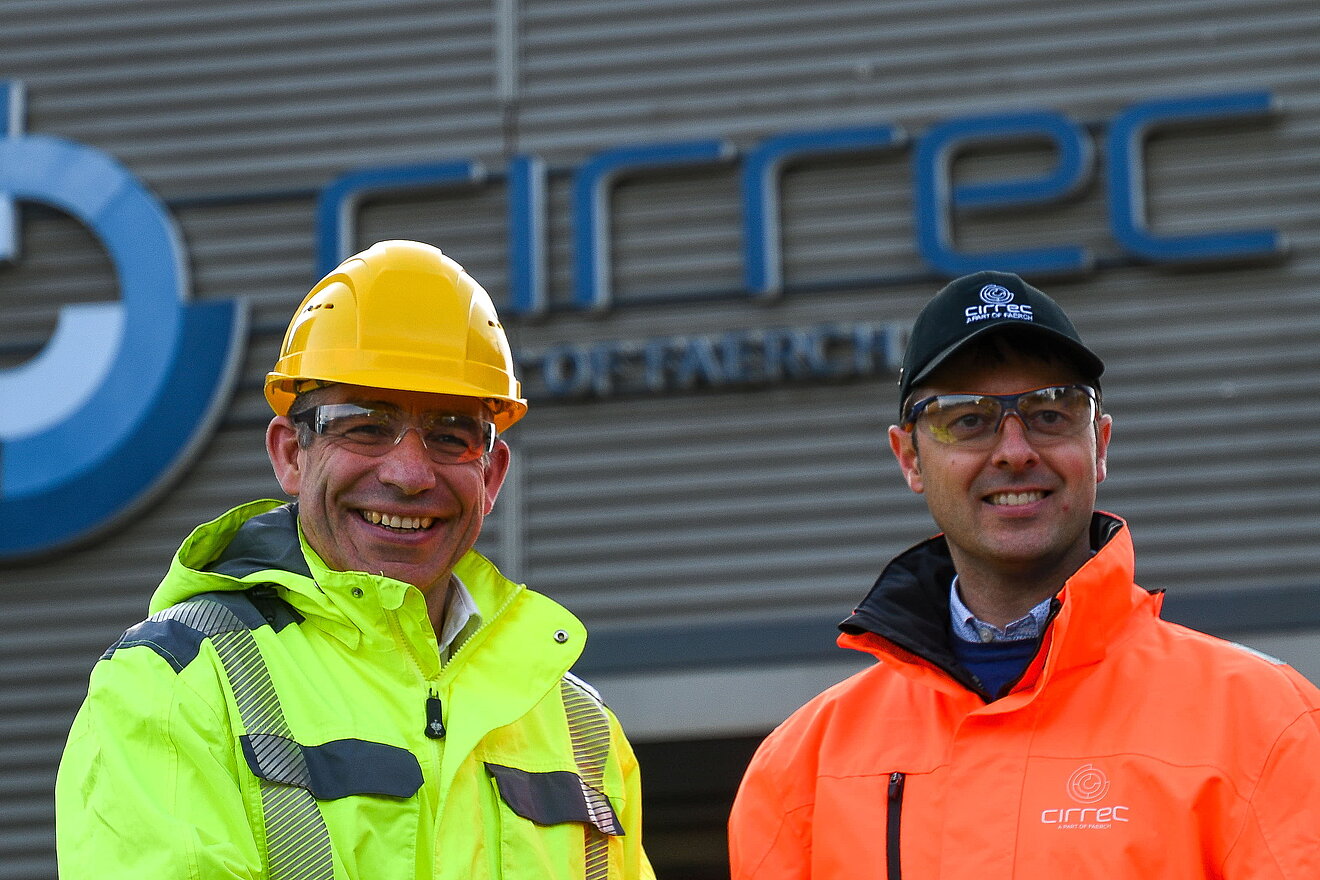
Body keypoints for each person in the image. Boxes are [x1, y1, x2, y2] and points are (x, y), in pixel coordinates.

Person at [56, 240, 654, 880]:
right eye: (366, 426)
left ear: (491, 475)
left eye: (450, 435)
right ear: (291, 454)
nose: (409, 474)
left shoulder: (582, 730)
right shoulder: (176, 683)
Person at [728, 270, 1320, 878]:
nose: (1015, 451)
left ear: (1100, 445)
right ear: (910, 458)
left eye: (1050, 413)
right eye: (967, 419)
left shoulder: (1266, 724)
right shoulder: (801, 771)